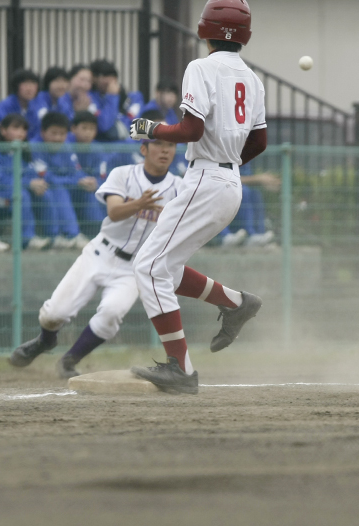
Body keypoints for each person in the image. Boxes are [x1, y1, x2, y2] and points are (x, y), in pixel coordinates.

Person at [128, 0, 266, 394]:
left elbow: (191, 129)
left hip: (205, 177)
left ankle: (181, 370)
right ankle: (237, 302)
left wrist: (151, 128)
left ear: (204, 31)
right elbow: (259, 141)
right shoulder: (253, 80)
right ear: (246, 36)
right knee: (164, 268)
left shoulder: (200, 67)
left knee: (148, 267)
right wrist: (228, 163)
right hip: (229, 182)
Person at [8, 136, 183, 378]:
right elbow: (113, 211)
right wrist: (139, 204)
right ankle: (45, 341)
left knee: (111, 314)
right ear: (144, 149)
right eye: (158, 144)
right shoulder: (123, 174)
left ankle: (69, 360)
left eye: (170, 145)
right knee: (53, 315)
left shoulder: (180, 188)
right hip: (101, 252)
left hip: (135, 267)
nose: (165, 150)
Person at [29, 112, 91, 249]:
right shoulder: (33, 147)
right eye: (54, 133)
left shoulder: (66, 146)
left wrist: (83, 179)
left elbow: (76, 171)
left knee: (89, 190)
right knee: (57, 188)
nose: (58, 138)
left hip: (65, 186)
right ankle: (71, 235)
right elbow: (47, 177)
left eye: (62, 134)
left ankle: (96, 234)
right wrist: (75, 180)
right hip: (40, 191)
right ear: (43, 132)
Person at [0, 114, 51, 251]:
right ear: (3, 130)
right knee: (22, 195)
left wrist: (36, 183)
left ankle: (55, 236)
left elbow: (30, 173)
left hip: (13, 192)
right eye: (16, 128)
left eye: (24, 129)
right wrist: (27, 183)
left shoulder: (23, 152)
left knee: (46, 192)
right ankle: (27, 239)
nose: (20, 133)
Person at [66, 111, 109, 234]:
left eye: (92, 129)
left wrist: (96, 183)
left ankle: (99, 232)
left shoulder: (98, 149)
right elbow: (69, 170)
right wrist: (80, 180)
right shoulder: (66, 144)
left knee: (98, 193)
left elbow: (102, 176)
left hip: (89, 188)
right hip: (71, 186)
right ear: (73, 128)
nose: (88, 133)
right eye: (84, 128)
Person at [220, 162, 279, 247]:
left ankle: (256, 236)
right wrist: (258, 179)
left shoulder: (243, 156)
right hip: (220, 189)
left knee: (255, 193)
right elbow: (221, 179)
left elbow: (247, 175)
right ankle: (224, 237)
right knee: (243, 191)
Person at [90, 59, 145, 141]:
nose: (110, 81)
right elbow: (105, 125)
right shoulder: (89, 98)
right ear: (94, 78)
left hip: (129, 148)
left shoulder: (133, 98)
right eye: (103, 76)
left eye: (112, 76)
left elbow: (137, 128)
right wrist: (112, 96)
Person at [29, 67, 70, 140]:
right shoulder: (39, 99)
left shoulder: (63, 102)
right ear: (48, 83)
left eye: (65, 81)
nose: (61, 85)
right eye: (57, 81)